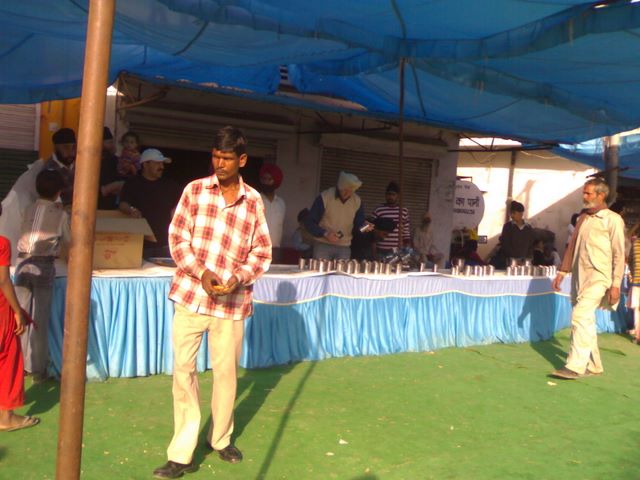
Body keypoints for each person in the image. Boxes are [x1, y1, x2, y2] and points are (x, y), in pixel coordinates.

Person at [153, 126, 271, 479]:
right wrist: (201, 272)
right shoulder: (194, 190)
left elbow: (261, 252)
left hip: (231, 305)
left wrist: (238, 277)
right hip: (191, 297)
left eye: (227, 158)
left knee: (226, 375)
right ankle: (181, 453)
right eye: (216, 156)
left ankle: (220, 438)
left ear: (242, 160)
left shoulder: (253, 201)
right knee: (183, 372)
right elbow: (177, 239)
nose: (220, 164)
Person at [551, 178, 625, 379]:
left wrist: (616, 284)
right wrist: (562, 272)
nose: (584, 196)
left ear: (601, 195)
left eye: (588, 193)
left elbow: (619, 254)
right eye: (584, 192)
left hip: (599, 277)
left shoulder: (612, 220)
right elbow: (572, 245)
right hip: (579, 277)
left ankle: (575, 366)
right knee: (586, 319)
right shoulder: (583, 217)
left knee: (580, 315)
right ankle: (594, 365)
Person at [15, 169, 70, 383]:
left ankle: (19, 366)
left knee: (20, 316)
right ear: (59, 192)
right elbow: (70, 241)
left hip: (22, 263)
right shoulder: (61, 214)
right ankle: (38, 370)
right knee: (40, 320)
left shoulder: (28, 208)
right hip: (44, 265)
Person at [0, 128, 76, 262]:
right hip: (41, 259)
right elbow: (71, 241)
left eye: (73, 148)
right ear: (56, 148)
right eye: (65, 148)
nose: (70, 152)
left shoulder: (74, 166)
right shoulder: (49, 169)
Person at [0, 203, 40, 432]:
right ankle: (6, 417)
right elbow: (3, 280)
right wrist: (17, 310)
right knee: (9, 360)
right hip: (1, 311)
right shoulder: (2, 243)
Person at [119, 148, 181, 258]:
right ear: (145, 164)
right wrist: (131, 210)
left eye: (162, 163)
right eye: (157, 163)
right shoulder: (133, 184)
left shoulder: (171, 185)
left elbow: (183, 205)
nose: (161, 167)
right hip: (139, 244)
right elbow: (123, 204)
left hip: (166, 245)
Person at [304, 171, 370, 260]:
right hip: (323, 245)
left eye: (350, 191)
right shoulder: (325, 197)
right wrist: (325, 234)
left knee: (342, 270)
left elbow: (358, 228)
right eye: (344, 190)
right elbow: (309, 222)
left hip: (344, 247)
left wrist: (365, 227)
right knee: (321, 269)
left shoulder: (357, 201)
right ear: (339, 187)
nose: (347, 194)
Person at [373, 181, 411, 256]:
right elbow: (366, 228)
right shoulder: (379, 210)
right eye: (388, 194)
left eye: (393, 194)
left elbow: (406, 232)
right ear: (385, 195)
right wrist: (377, 232)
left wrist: (407, 247)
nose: (390, 197)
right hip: (381, 249)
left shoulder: (403, 211)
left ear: (398, 196)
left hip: (397, 251)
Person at [259, 163, 286, 263]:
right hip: (257, 250)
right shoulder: (255, 200)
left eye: (270, 179)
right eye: (264, 179)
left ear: (276, 181)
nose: (266, 182)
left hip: (275, 250)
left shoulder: (281, 204)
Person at [98, 127, 124, 210]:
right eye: (109, 142)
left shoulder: (116, 160)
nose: (113, 146)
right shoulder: (91, 163)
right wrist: (106, 189)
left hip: (111, 206)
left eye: (112, 142)